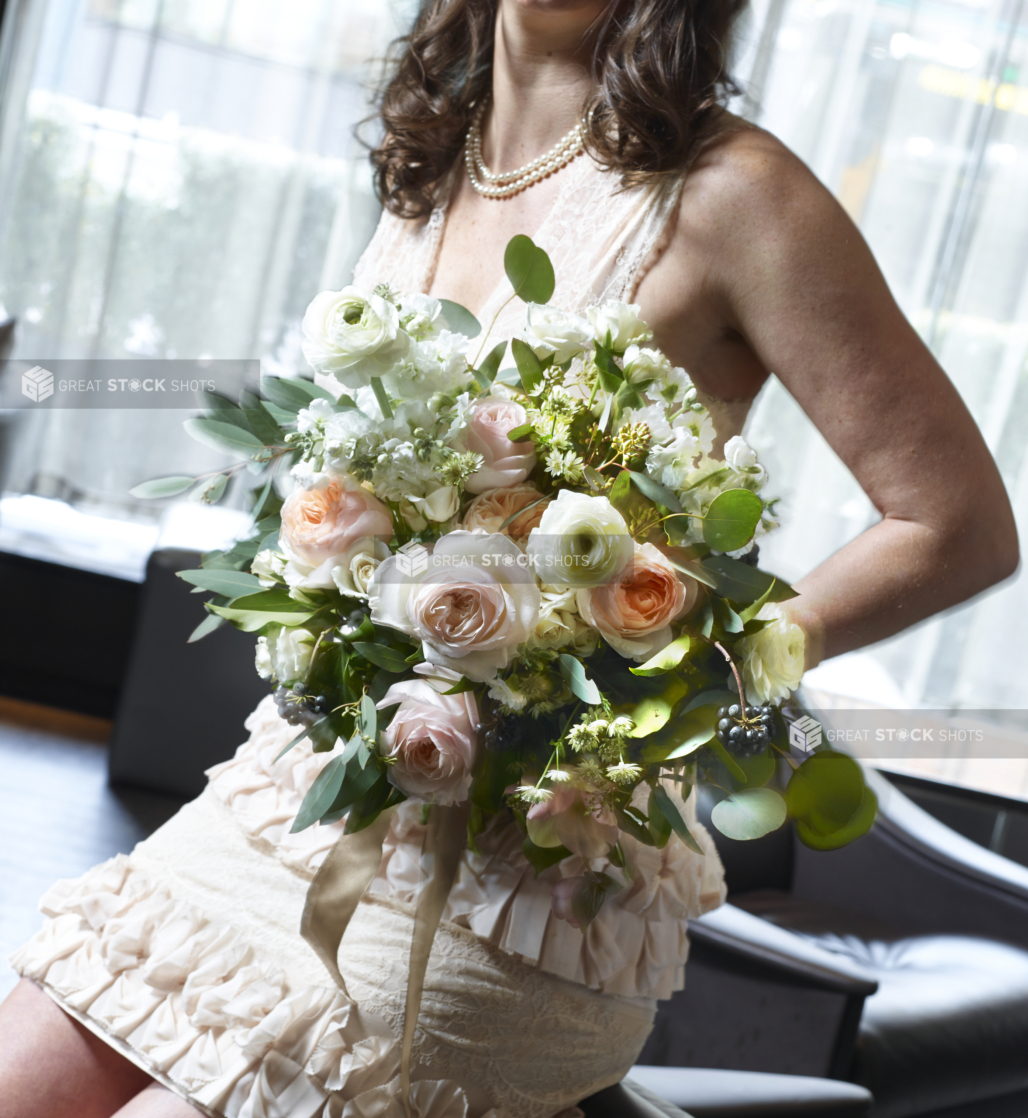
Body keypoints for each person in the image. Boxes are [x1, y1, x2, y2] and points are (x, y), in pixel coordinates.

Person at [0, 0, 1018, 1115]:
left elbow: (953, 522)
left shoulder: (736, 193)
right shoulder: (436, 153)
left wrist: (688, 671)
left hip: (517, 878)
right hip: (292, 803)